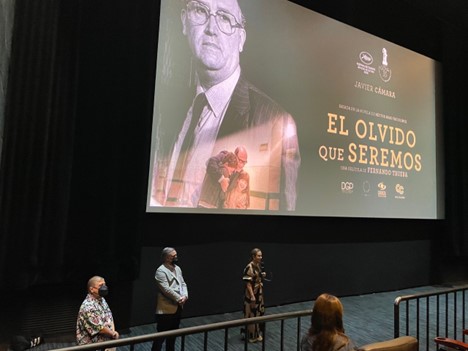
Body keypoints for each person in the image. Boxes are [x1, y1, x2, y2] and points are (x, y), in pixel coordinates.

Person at [150, 0, 301, 211]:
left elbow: (284, 217)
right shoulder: (164, 107)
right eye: (201, 11)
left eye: (224, 18)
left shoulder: (276, 122)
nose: (212, 29)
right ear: (184, 20)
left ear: (241, 39)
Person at [152, 247, 188, 351]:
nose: (176, 257)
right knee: (160, 337)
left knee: (173, 336)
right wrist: (179, 298)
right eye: (173, 256)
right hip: (166, 310)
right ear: (167, 258)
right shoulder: (160, 271)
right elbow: (166, 289)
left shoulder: (177, 268)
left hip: (178, 307)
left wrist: (185, 296)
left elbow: (183, 283)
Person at [76, 276, 119, 348]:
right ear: (92, 289)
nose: (104, 287)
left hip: (105, 343)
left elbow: (109, 316)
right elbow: (99, 328)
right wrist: (113, 333)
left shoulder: (101, 299)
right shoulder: (88, 307)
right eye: (100, 285)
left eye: (104, 284)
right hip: (92, 346)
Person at [242, 248, 266, 343]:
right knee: (251, 314)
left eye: (261, 255)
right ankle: (251, 335)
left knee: (258, 313)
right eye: (258, 255)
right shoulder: (249, 267)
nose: (260, 257)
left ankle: (257, 333)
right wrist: (252, 296)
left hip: (259, 293)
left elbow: (257, 278)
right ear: (253, 256)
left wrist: (262, 275)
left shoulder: (258, 265)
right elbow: (248, 283)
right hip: (252, 295)